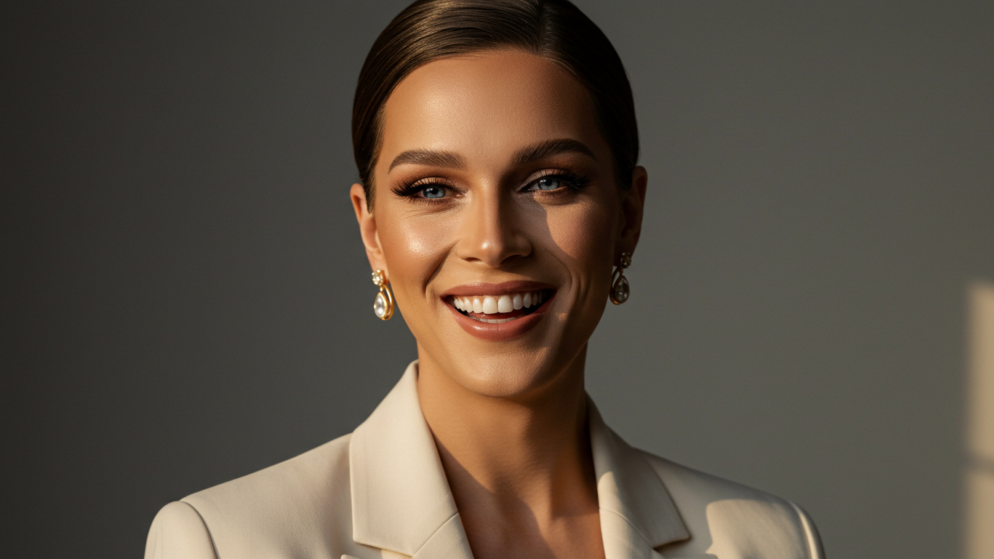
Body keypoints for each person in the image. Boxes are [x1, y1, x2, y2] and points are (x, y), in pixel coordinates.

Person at [144, 1, 825, 557]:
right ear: (372, 231)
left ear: (628, 215)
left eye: (550, 181)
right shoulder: (223, 543)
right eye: (434, 188)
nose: (493, 242)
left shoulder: (766, 541)